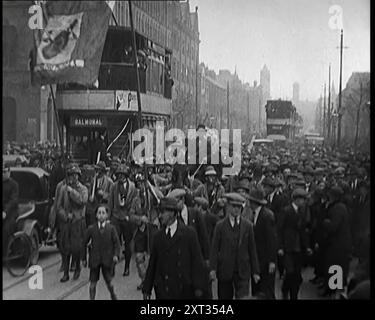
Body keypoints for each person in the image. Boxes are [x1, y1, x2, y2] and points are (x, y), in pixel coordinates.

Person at [142, 197, 207, 300]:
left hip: (184, 290)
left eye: (163, 212)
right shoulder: (158, 237)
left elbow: (197, 262)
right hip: (163, 290)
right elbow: (153, 264)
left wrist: (199, 287)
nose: (160, 216)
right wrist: (147, 289)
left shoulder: (189, 234)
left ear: (172, 213)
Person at [209, 193, 260, 300]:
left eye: (239, 207)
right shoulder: (220, 226)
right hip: (225, 270)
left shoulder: (248, 226)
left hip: (242, 270)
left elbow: (252, 249)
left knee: (243, 297)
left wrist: (255, 271)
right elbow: (214, 249)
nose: (236, 209)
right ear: (228, 206)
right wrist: (213, 269)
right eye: (234, 206)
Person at [278, 188, 312, 299]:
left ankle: (294, 296)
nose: (303, 202)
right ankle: (285, 289)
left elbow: (303, 231)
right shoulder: (286, 211)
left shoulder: (302, 212)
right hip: (288, 247)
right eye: (302, 199)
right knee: (290, 272)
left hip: (298, 248)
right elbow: (280, 230)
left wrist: (306, 247)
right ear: (296, 199)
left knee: (297, 274)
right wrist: (280, 247)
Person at [56, 164, 88, 282]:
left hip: (78, 222)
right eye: (71, 175)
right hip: (67, 222)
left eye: (75, 175)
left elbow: (82, 201)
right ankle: (65, 273)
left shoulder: (83, 188)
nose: (73, 178)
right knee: (65, 248)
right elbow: (58, 207)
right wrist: (65, 215)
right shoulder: (63, 189)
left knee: (76, 248)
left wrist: (72, 192)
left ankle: (77, 267)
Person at [83, 205, 121, 300]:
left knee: (110, 283)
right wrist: (83, 258)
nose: (101, 215)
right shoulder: (91, 229)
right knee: (92, 285)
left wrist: (116, 255)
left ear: (107, 215)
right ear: (96, 215)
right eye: (99, 213)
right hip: (95, 260)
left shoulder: (111, 229)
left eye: (103, 213)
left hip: (107, 260)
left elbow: (117, 243)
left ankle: (113, 295)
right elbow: (83, 243)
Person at [321, 186, 352, 297]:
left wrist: (325, 222)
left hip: (338, 244)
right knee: (333, 266)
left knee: (336, 267)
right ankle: (331, 289)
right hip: (337, 243)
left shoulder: (338, 208)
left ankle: (333, 291)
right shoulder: (340, 206)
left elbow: (333, 226)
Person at [108, 164, 138, 276]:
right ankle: (112, 266)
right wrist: (108, 217)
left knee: (128, 242)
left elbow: (134, 203)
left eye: (122, 175)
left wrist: (130, 215)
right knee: (114, 242)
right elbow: (110, 203)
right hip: (116, 217)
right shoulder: (114, 187)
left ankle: (127, 267)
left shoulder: (133, 187)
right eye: (118, 175)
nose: (120, 177)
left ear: (126, 175)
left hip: (127, 218)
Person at [248, 187, 277, 299]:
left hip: (265, 260)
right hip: (257, 260)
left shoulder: (266, 216)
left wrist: (272, 261)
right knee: (257, 290)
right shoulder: (255, 215)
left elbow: (271, 240)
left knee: (267, 291)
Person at [2, 162, 19, 253]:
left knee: (5, 230)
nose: (3, 174)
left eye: (5, 172)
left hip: (11, 213)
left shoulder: (14, 184)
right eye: (2, 172)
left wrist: (5, 212)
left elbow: (13, 200)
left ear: (9, 172)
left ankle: (4, 252)